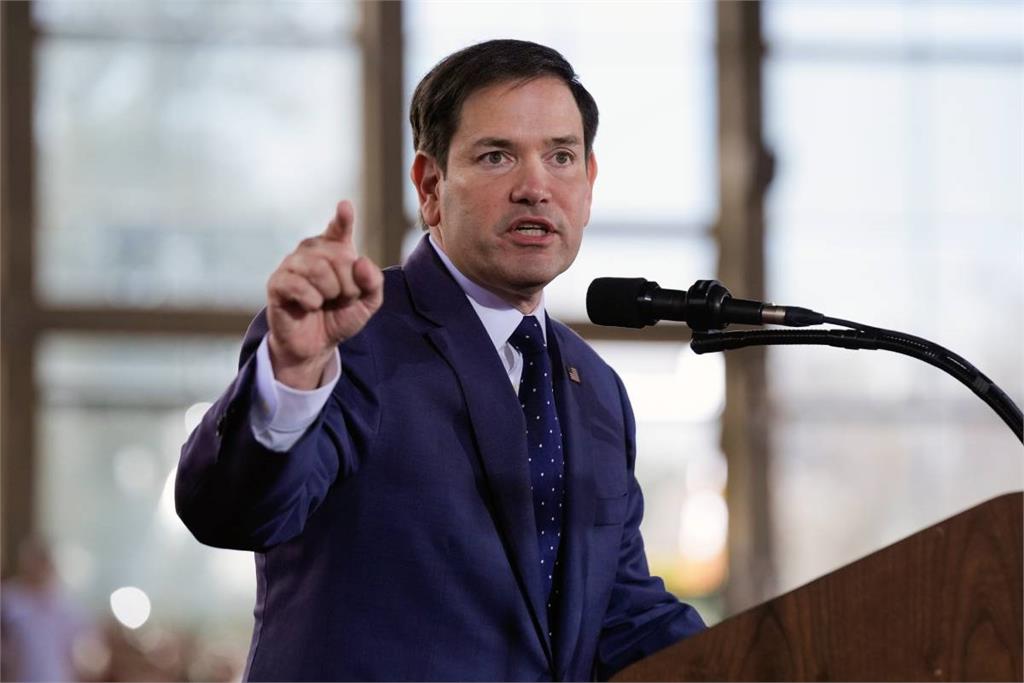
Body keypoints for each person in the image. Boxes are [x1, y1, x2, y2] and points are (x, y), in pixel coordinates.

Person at [176, 39, 705, 681]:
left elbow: (621, 616)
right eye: (496, 156)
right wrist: (290, 376)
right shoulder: (349, 336)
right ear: (431, 187)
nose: (535, 188)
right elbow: (232, 512)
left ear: (588, 185)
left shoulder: (596, 388)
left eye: (561, 157)